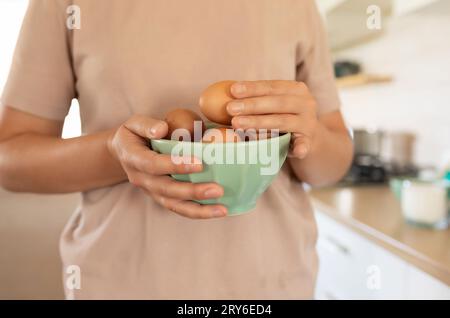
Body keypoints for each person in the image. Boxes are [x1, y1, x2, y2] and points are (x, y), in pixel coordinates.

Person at [0, 0, 352, 299]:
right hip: (119, 284)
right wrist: (114, 153)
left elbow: (333, 163)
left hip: (270, 286)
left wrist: (312, 136)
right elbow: (10, 159)